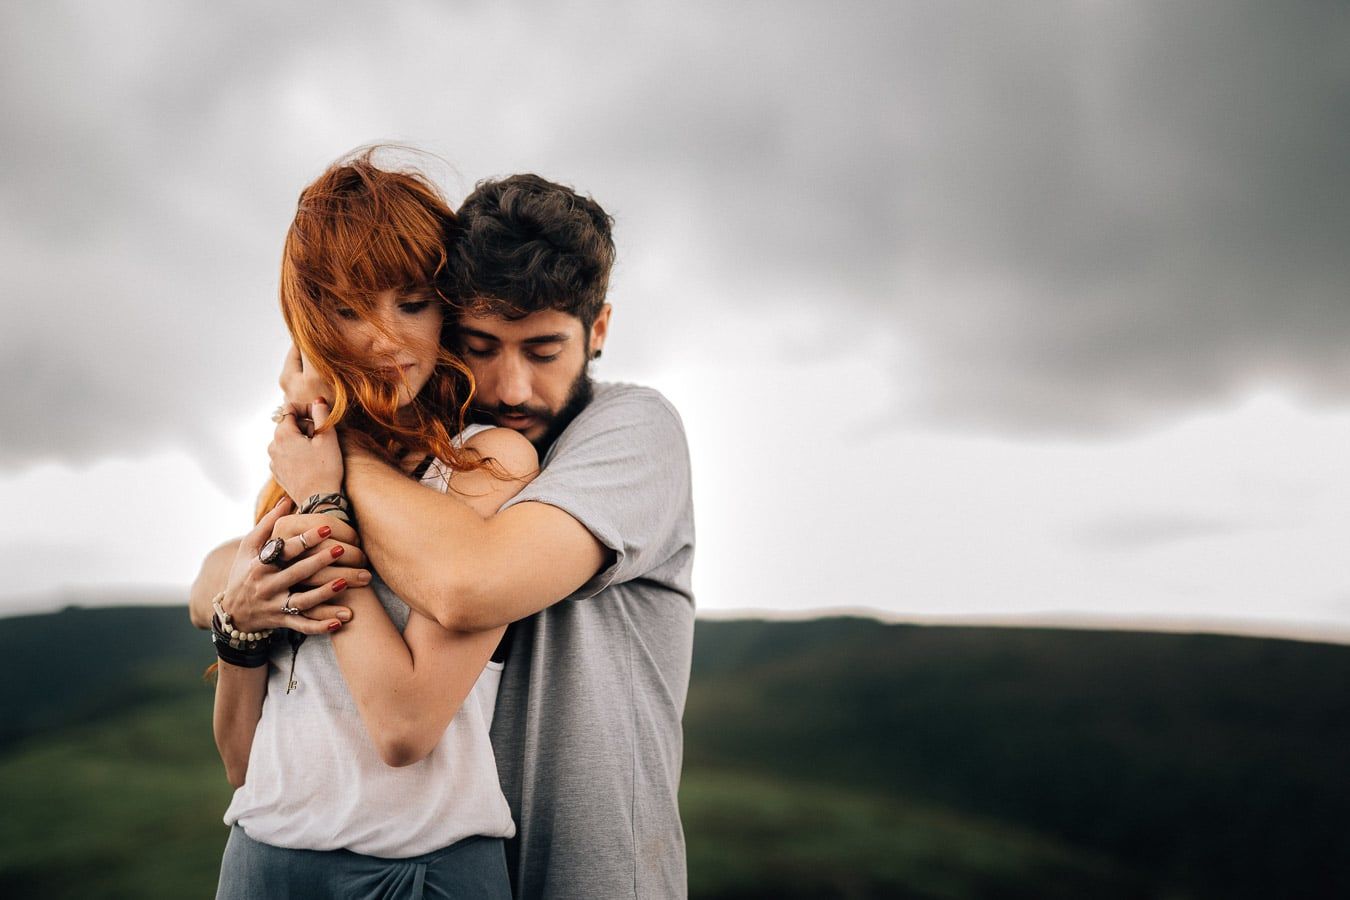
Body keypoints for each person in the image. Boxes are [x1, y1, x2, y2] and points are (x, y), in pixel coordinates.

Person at [192, 172, 696, 899]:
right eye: (482, 346)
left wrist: (330, 458)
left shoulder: (631, 431)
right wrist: (237, 609)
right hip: (408, 850)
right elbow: (218, 584)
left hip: (588, 875)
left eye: (545, 351)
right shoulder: (424, 460)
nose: (511, 387)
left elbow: (467, 585)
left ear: (601, 331)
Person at [206, 151, 537, 899]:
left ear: (449, 306)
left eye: (411, 302)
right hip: (260, 860)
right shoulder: (295, 469)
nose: (385, 340)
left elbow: (402, 728)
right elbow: (238, 761)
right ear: (310, 326)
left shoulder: (488, 463)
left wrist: (326, 500)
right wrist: (239, 630)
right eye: (349, 311)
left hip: (420, 872)